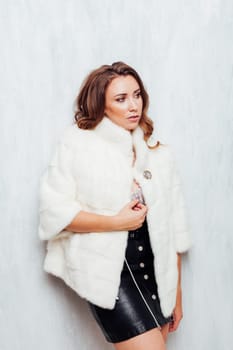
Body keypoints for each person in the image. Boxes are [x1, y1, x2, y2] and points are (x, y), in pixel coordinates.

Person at [38, 61, 192, 350]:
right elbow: (55, 214)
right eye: (121, 99)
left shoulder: (158, 153)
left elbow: (173, 231)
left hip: (158, 276)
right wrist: (116, 222)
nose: (133, 105)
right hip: (111, 277)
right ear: (102, 104)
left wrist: (176, 296)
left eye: (137, 95)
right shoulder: (77, 145)